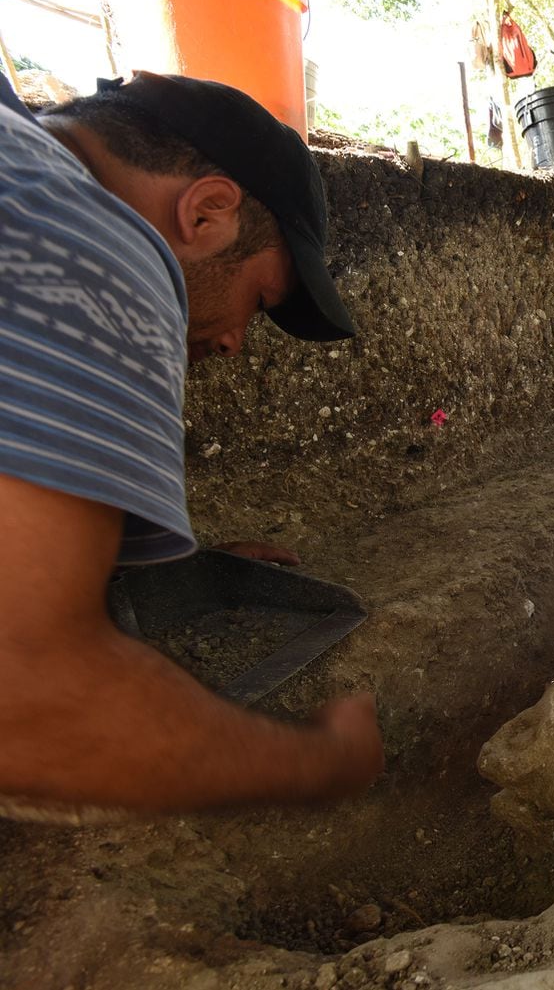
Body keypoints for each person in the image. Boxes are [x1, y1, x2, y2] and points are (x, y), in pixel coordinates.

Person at [0, 71, 384, 819]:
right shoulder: (86, 238)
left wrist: (152, 567)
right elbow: (25, 698)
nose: (237, 341)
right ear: (207, 212)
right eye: (260, 299)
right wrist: (321, 760)